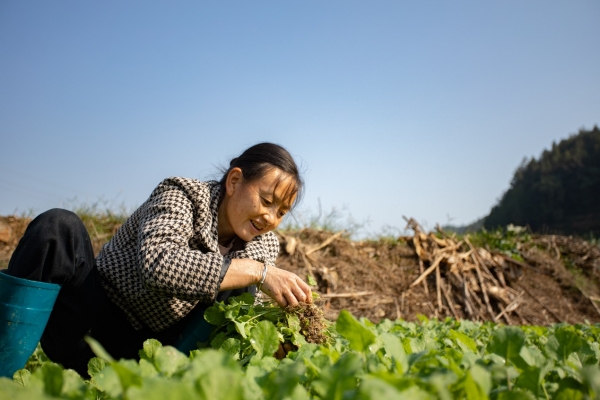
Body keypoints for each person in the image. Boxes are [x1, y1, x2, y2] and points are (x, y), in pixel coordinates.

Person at [5, 142, 311, 376]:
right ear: (234, 182)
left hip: (151, 356)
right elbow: (158, 264)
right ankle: (5, 369)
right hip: (90, 319)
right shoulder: (183, 195)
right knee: (58, 227)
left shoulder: (263, 245)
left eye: (281, 212)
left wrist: (273, 342)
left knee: (242, 290)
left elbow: (246, 312)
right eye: (266, 201)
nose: (270, 217)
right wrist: (256, 271)